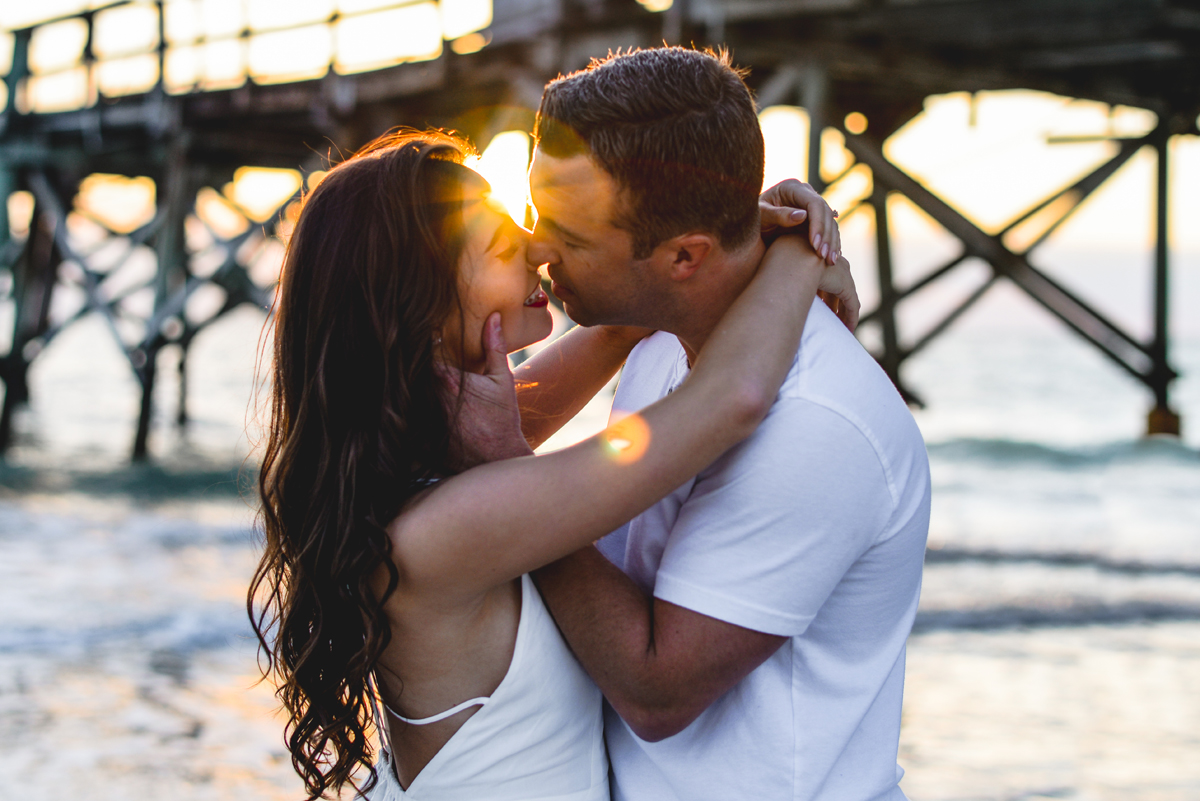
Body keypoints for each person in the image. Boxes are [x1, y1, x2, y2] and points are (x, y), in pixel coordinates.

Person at [248, 128, 853, 800]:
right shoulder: (454, 525)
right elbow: (729, 400)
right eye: (507, 249)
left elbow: (622, 326)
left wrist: (730, 233)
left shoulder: (417, 471)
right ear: (422, 311)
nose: (539, 249)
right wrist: (803, 252)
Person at [519, 47, 932, 801]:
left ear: (684, 256)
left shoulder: (818, 423)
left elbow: (656, 689)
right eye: (532, 211)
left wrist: (508, 507)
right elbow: (478, 424)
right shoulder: (655, 338)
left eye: (568, 236)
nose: (532, 247)